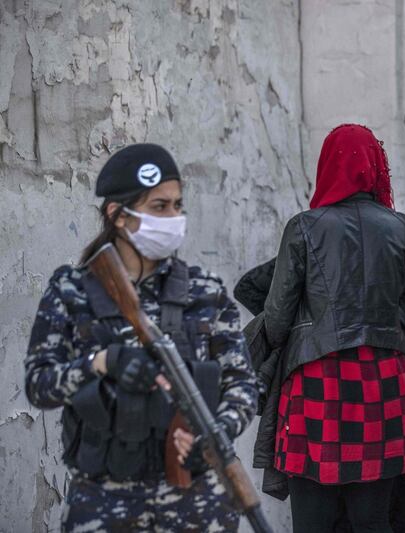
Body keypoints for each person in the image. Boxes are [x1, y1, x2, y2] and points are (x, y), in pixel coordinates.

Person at [24, 144, 258, 531]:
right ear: (118, 215)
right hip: (105, 503)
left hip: (196, 505)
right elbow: (38, 385)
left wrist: (214, 436)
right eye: (159, 207)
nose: (174, 217)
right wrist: (101, 363)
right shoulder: (73, 290)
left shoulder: (205, 290)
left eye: (177, 206)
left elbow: (243, 385)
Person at [235, 251, 405, 532]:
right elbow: (249, 287)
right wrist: (305, 329)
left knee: (401, 506)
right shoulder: (314, 248)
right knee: (334, 508)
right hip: (329, 399)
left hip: (396, 395)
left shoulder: (394, 248)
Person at [262, 124, 405, 533]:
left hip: (319, 377)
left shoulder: (303, 227)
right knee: (372, 520)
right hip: (383, 378)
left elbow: (278, 317)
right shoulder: (401, 226)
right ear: (373, 166)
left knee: (312, 521)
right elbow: (399, 299)